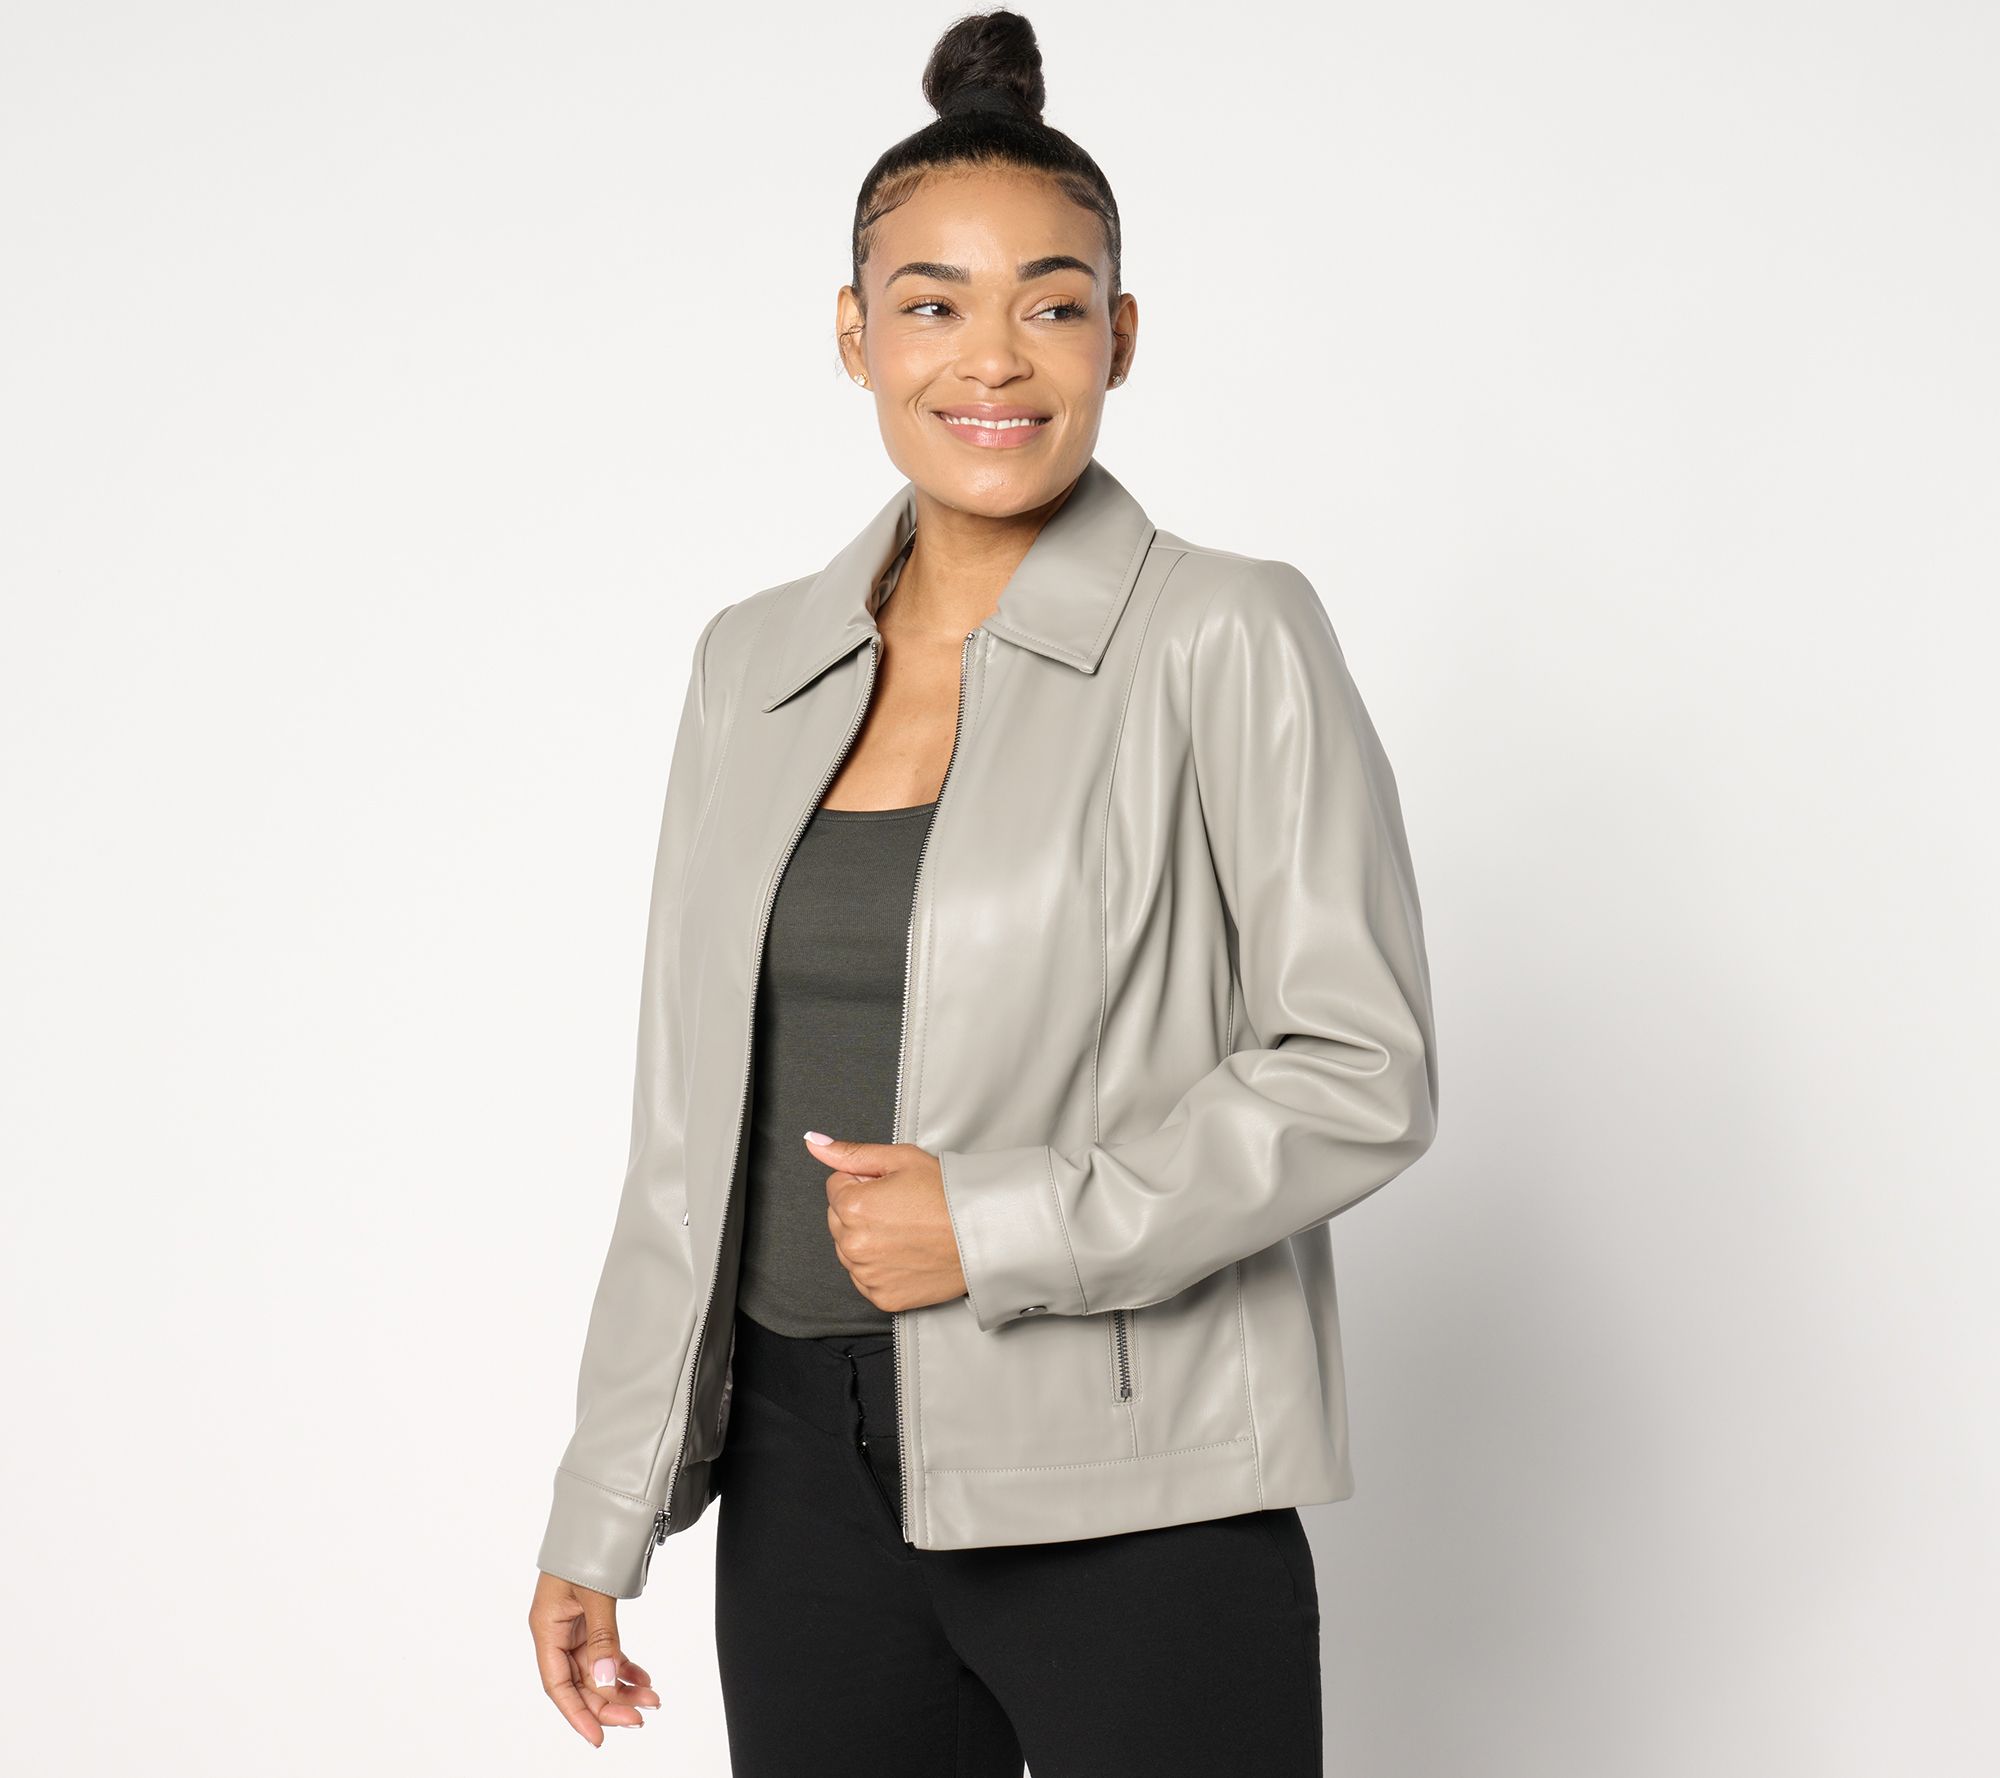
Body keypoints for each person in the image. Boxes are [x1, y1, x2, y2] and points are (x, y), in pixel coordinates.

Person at [525, 10, 1439, 1774]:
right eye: (933, 304)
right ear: (855, 334)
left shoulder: (1226, 632)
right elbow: (685, 1131)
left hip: (1134, 1488)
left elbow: (1361, 1069)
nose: (993, 360)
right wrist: (606, 1498)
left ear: (1122, 336)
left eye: (1054, 303)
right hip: (799, 1485)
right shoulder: (751, 664)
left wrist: (998, 1225)